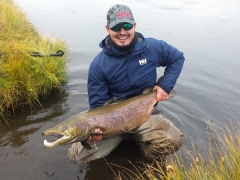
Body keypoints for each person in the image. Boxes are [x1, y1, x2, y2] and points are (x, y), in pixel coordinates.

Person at [69, 4, 184, 165]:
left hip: (144, 114)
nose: (122, 31)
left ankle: (142, 158)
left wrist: (165, 85)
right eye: (116, 26)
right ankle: (119, 139)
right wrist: (94, 131)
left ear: (134, 26)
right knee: (76, 156)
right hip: (112, 124)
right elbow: (98, 105)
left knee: (172, 140)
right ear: (107, 28)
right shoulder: (98, 65)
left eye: (127, 25)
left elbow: (177, 58)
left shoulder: (153, 48)